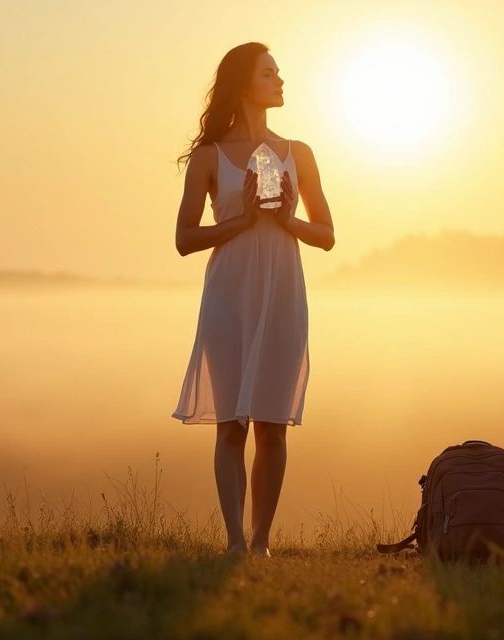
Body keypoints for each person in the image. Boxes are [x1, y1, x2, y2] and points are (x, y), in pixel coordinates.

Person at [171, 42, 335, 556]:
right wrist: (239, 220)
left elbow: (327, 233)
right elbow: (183, 240)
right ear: (245, 85)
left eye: (279, 72)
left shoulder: (299, 153)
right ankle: (236, 542)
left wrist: (287, 220)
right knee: (230, 428)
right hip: (229, 297)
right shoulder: (208, 157)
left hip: (283, 295)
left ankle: (262, 543)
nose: (280, 81)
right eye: (270, 73)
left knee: (273, 427)